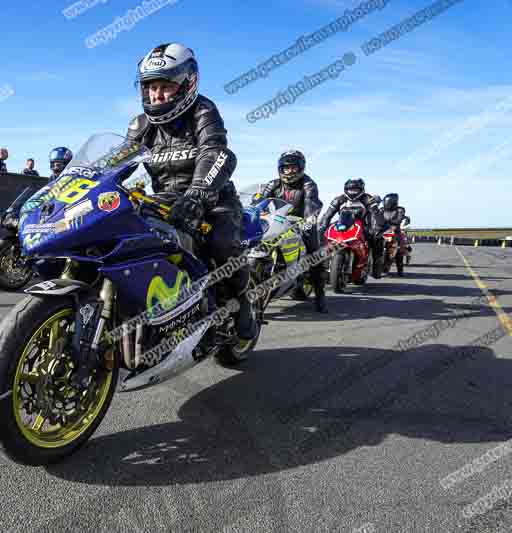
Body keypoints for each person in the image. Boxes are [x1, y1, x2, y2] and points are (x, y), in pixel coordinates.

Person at [125, 42, 256, 347]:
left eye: (165, 86)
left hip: (213, 199)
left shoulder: (203, 111)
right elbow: (116, 159)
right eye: (150, 87)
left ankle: (241, 303)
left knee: (223, 245)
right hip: (165, 200)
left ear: (187, 83)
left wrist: (197, 195)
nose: (156, 95)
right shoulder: (142, 125)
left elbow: (216, 152)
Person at [256, 149, 328, 312]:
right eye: (286, 168)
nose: (290, 171)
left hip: (300, 223)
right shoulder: (273, 184)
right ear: (280, 169)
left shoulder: (308, 184)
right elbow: (259, 201)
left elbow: (312, 203)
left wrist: (309, 219)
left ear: (300, 168)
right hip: (275, 221)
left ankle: (320, 295)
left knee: (314, 254)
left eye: (294, 168)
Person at [319, 178, 385, 278]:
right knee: (323, 236)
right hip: (342, 224)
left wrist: (378, 227)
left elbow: (376, 213)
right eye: (350, 190)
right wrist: (323, 226)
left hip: (363, 224)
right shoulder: (339, 199)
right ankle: (321, 267)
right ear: (345, 189)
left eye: (355, 190)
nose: (352, 192)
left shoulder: (368, 199)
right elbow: (328, 215)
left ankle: (376, 268)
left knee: (378, 239)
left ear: (361, 189)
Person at [382, 193, 411, 273]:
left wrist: (398, 221)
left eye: (388, 202)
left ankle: (400, 268)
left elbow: (399, 218)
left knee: (400, 248)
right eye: (385, 201)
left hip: (395, 231)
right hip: (383, 231)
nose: (386, 203)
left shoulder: (400, 210)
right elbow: (376, 217)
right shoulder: (381, 210)